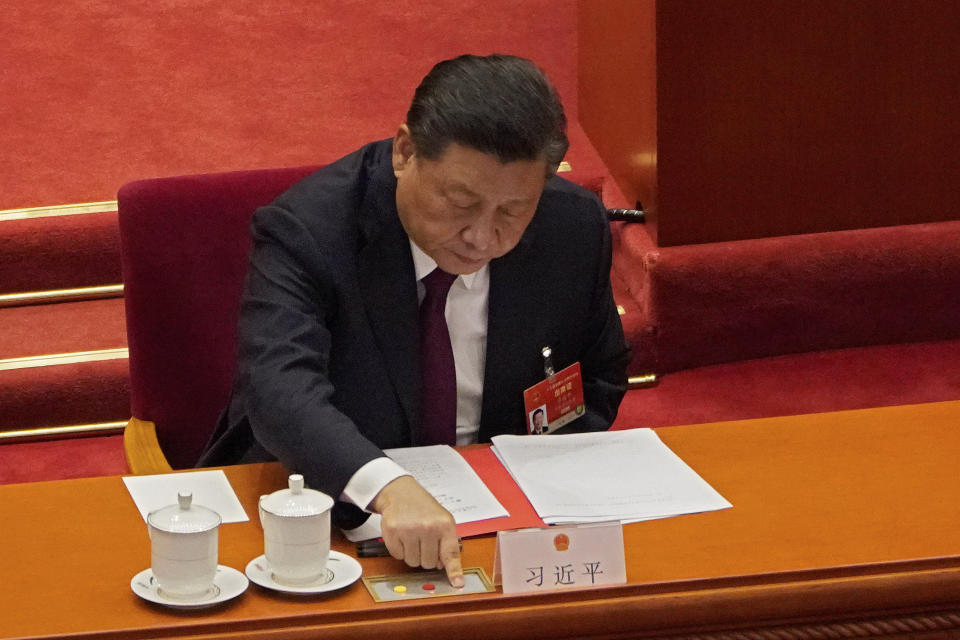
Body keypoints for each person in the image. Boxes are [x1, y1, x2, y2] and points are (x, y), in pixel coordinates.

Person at [198, 54, 630, 587]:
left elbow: (601, 373)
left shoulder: (572, 227)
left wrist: (541, 482)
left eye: (511, 212)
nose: (481, 236)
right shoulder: (308, 230)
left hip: (509, 525)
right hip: (329, 516)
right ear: (405, 152)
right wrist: (388, 486)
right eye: (460, 202)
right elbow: (277, 388)